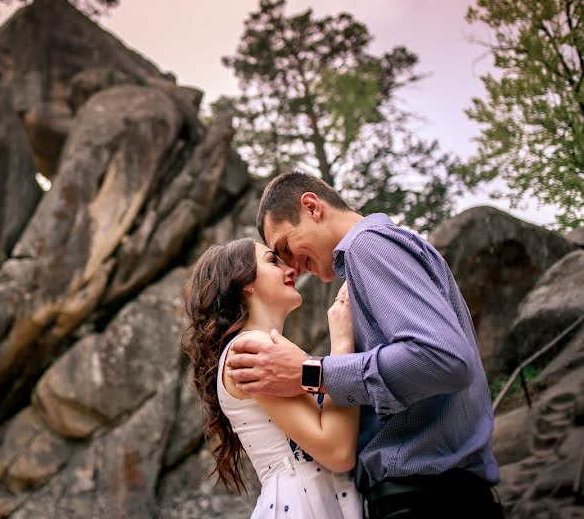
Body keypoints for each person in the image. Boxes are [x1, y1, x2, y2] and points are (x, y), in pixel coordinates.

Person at [226, 172, 503, 519]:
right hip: (441, 492)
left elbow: (442, 358)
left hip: (429, 497)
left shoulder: (367, 246)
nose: (293, 267)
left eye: (285, 248)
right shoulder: (375, 252)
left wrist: (311, 372)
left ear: (312, 207)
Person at [182, 237, 363, 518]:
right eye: (272, 261)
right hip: (304, 503)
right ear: (245, 282)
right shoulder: (251, 349)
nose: (289, 269)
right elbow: (337, 451)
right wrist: (341, 344)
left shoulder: (270, 348)